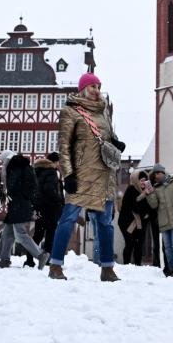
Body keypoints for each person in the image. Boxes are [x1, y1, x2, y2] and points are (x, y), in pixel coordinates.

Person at [47, 72, 125, 281]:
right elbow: (64, 146)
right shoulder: (71, 111)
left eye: (98, 87)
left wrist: (116, 143)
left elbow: (108, 137)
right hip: (81, 175)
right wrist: (68, 175)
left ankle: (107, 268)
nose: (96, 90)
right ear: (82, 89)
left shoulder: (103, 112)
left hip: (105, 175)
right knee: (68, 219)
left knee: (105, 223)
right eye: (92, 86)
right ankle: (55, 265)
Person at [0, 151, 47, 269]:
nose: (2, 164)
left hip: (19, 206)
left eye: (2, 161)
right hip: (17, 205)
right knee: (7, 234)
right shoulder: (22, 167)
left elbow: (10, 188)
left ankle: (40, 255)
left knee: (20, 234)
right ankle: (4, 259)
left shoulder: (14, 168)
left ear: (7, 159)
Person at [146, 163, 173, 277]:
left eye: (158, 173)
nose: (157, 176)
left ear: (163, 172)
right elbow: (154, 205)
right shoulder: (156, 188)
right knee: (167, 248)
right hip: (164, 222)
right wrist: (149, 194)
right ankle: (170, 269)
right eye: (155, 174)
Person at [32, 151, 64, 259]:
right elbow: (49, 189)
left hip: (39, 207)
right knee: (50, 234)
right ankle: (47, 258)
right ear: (55, 162)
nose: (59, 164)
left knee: (38, 234)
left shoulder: (38, 170)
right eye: (59, 162)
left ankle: (29, 259)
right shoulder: (51, 172)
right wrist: (59, 199)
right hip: (50, 208)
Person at [118, 170, 152, 265]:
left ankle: (138, 266)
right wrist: (144, 196)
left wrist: (148, 196)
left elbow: (148, 209)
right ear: (136, 180)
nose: (144, 182)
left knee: (139, 245)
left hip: (140, 223)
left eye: (145, 180)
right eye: (141, 180)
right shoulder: (131, 190)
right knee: (130, 243)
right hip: (127, 222)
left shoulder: (146, 192)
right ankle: (126, 266)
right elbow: (135, 207)